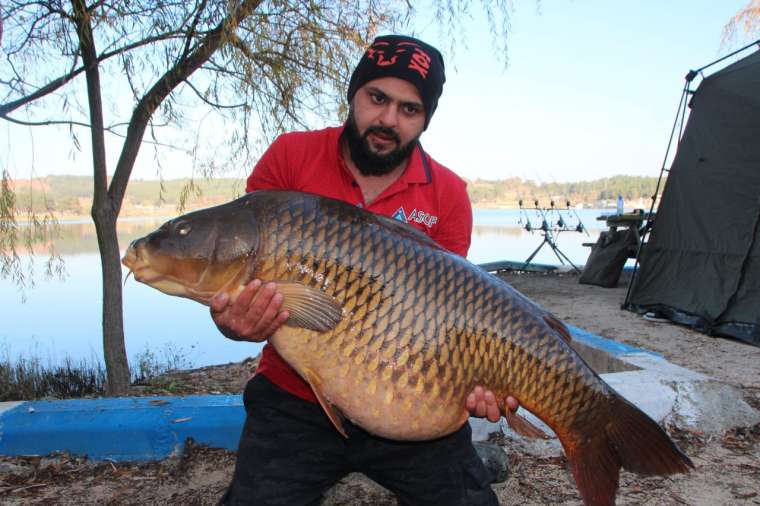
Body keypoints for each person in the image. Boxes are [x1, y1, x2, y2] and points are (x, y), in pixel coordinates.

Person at [212, 34, 518, 506]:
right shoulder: (290, 159)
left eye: (409, 109)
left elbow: (454, 320)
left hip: (409, 402)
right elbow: (239, 284)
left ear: (424, 119)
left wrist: (481, 383)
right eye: (378, 98)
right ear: (354, 94)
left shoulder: (449, 196)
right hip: (294, 396)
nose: (389, 120)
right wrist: (234, 321)